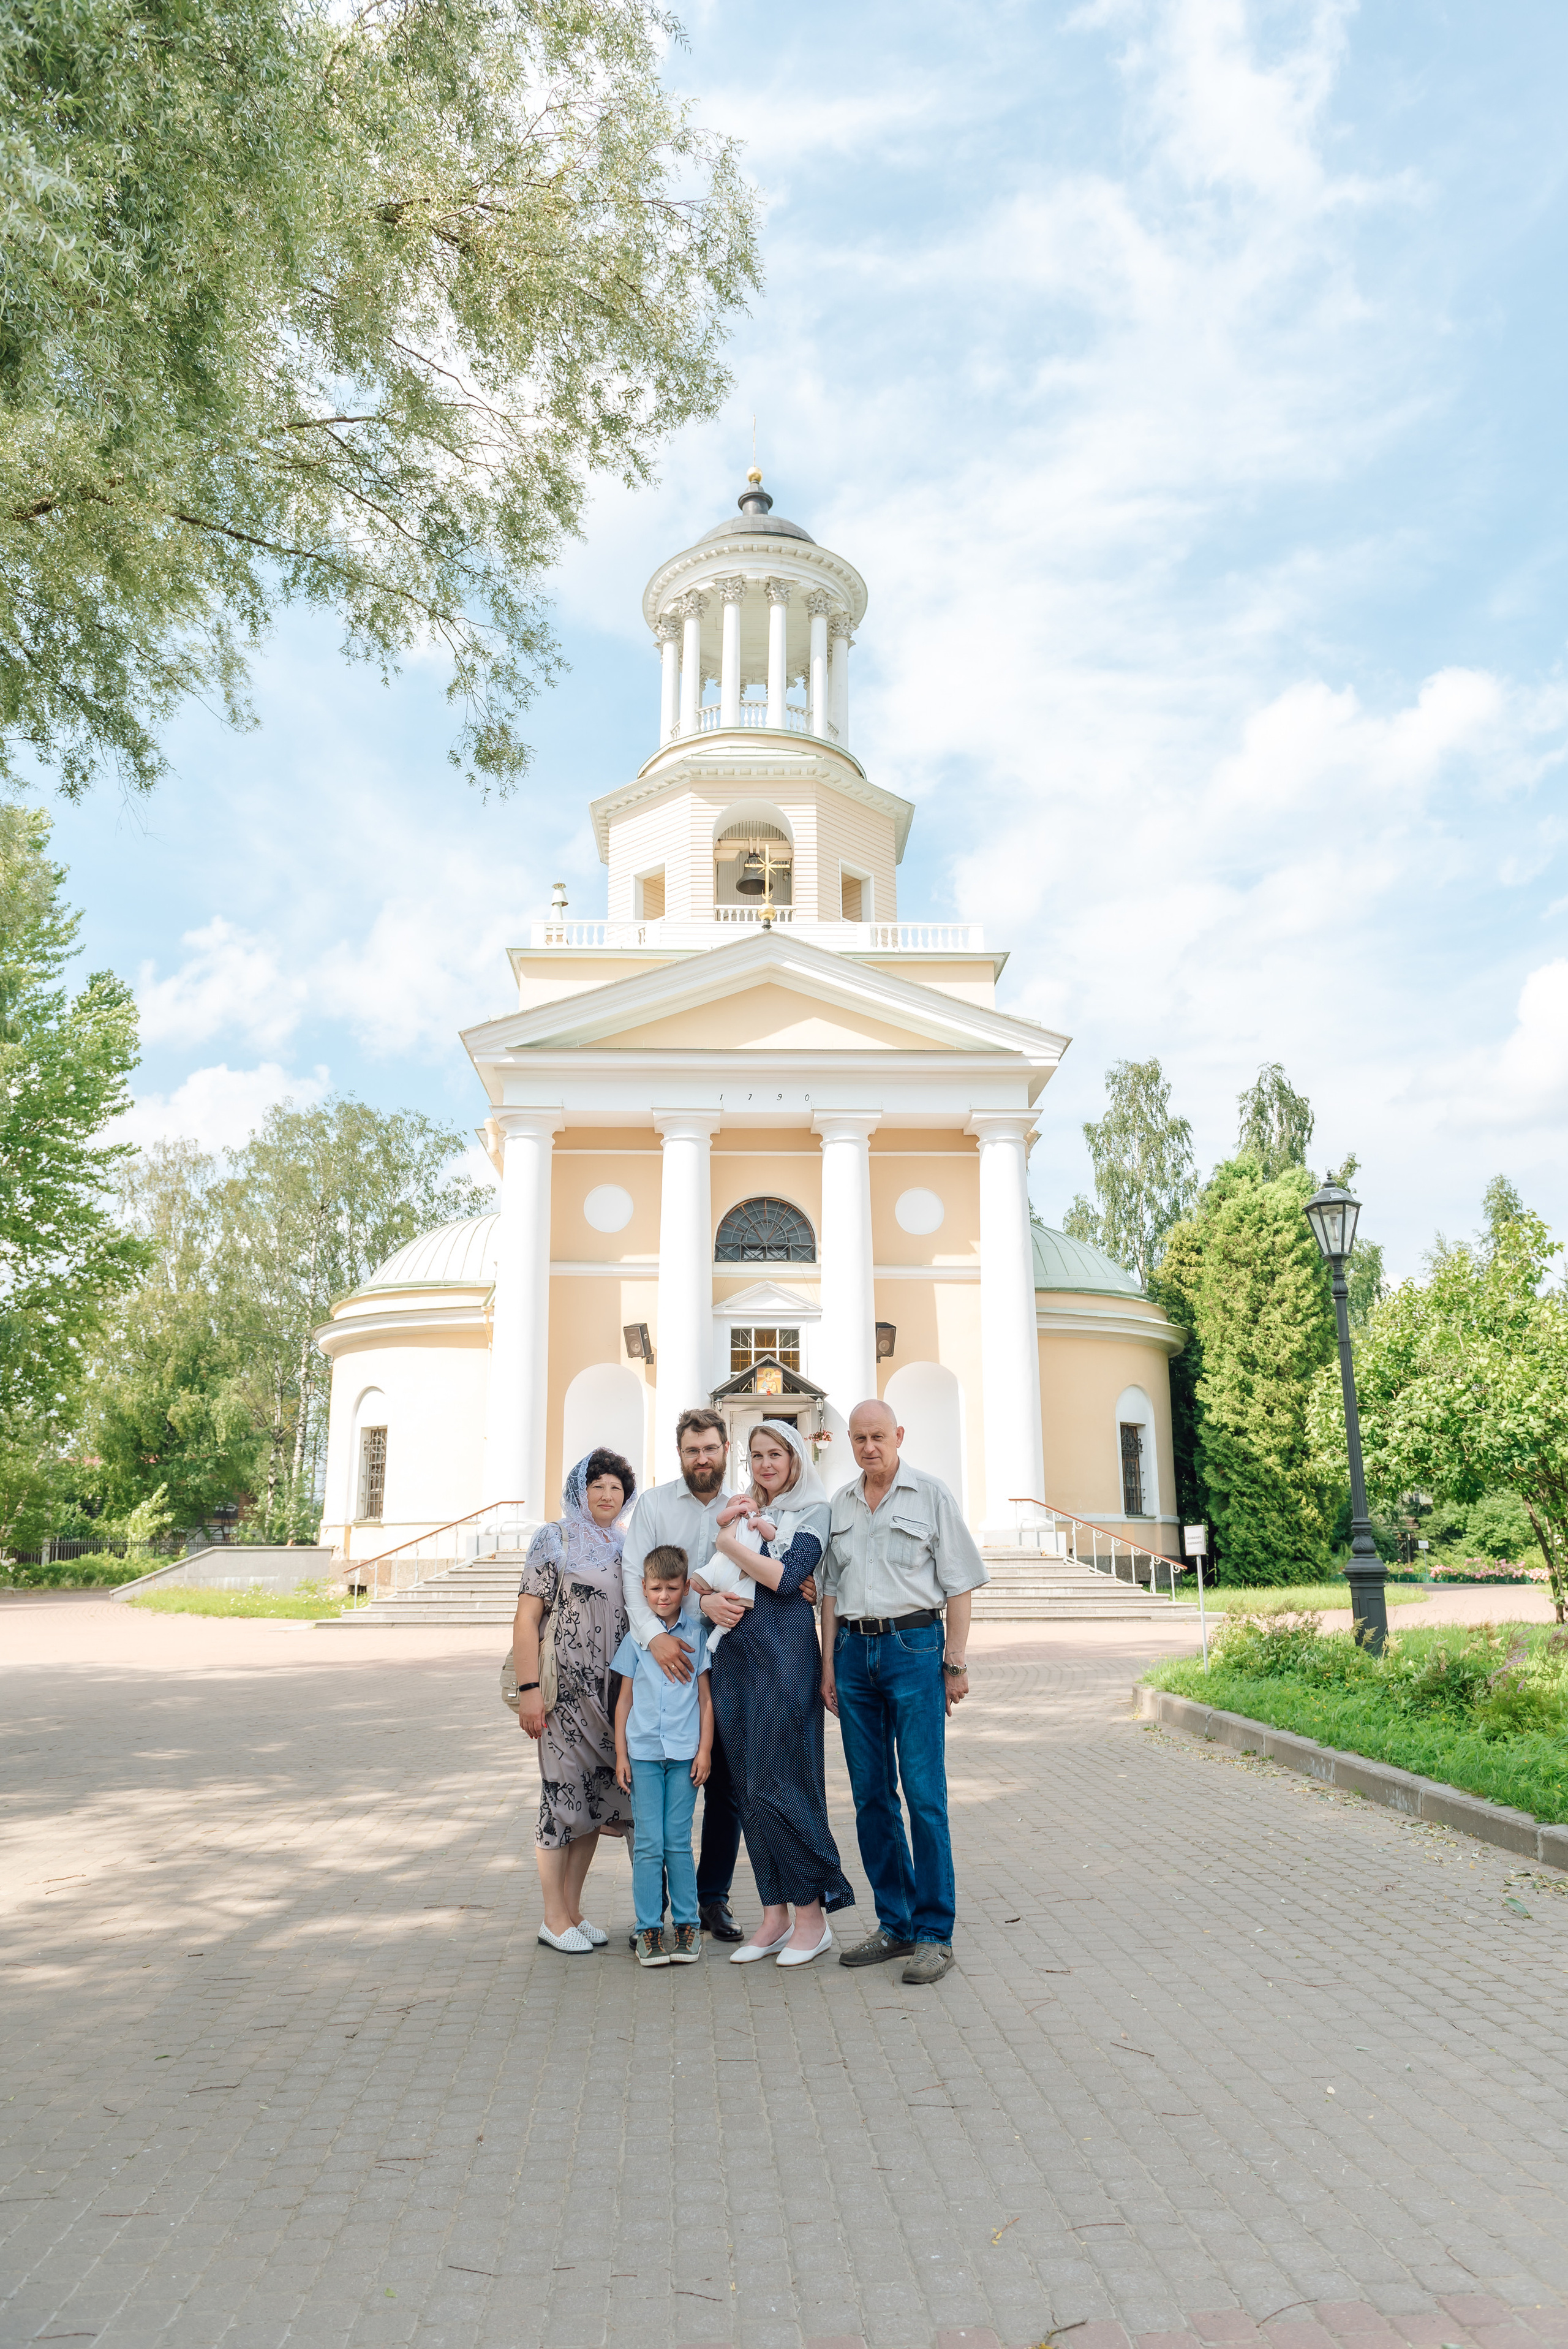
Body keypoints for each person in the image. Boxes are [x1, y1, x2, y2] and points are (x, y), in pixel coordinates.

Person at [821, 1399, 989, 1986]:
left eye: (878, 1437)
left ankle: (934, 1934)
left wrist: (956, 1662)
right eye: (859, 1438)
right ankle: (894, 1924)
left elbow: (961, 1582)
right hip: (853, 1658)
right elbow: (830, 1595)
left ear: (898, 1436)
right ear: (849, 1440)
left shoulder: (932, 1495)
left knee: (923, 1795)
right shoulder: (840, 1504)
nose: (869, 1447)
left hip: (915, 1650)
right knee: (871, 1796)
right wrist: (827, 1667)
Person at [704, 1419, 854, 1965]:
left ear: (795, 1460)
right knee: (747, 1785)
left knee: (781, 1779)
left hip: (783, 1655)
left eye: (777, 1454)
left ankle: (813, 1916)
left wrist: (727, 1542)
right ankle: (775, 1913)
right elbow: (712, 1578)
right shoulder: (743, 1511)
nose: (767, 1464)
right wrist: (723, 1553)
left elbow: (788, 1579)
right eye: (758, 1455)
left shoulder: (814, 1511)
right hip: (734, 1656)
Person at [619, 1408, 744, 1941]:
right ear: (680, 1453)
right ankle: (658, 1909)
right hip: (659, 1660)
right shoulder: (652, 1505)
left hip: (726, 1657)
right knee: (657, 1790)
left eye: (711, 1449)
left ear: (725, 1449)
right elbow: (631, 1575)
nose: (702, 1459)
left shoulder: (742, 1508)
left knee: (725, 1784)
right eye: (693, 1451)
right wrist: (656, 1637)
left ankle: (712, 1900)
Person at [513, 1448, 636, 1954]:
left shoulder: (625, 1545)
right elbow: (525, 1619)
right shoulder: (555, 1538)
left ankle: (571, 1909)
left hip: (610, 1698)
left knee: (593, 1801)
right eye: (597, 1485)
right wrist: (529, 1693)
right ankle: (551, 1916)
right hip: (561, 1696)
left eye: (616, 1488)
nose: (607, 1496)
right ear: (579, 1490)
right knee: (561, 1800)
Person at [612, 1545, 714, 1967]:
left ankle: (687, 1924)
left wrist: (705, 1750)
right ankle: (648, 1929)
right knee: (649, 1844)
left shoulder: (697, 1635)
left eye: (672, 1588)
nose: (664, 1596)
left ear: (686, 1587)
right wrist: (621, 1755)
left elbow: (706, 1700)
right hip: (644, 1756)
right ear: (643, 1588)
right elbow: (623, 1702)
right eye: (655, 1588)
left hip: (686, 1754)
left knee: (678, 1842)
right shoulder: (637, 1638)